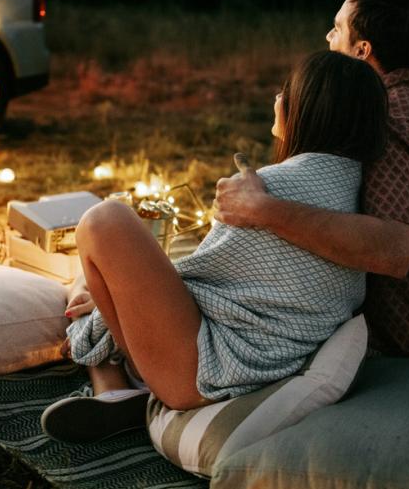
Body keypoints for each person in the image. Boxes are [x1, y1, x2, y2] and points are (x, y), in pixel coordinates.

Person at [41, 51, 388, 443]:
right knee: (88, 289)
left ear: (307, 110)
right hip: (263, 363)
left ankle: (111, 383)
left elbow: (196, 277)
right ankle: (116, 388)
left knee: (103, 223)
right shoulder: (358, 202)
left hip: (203, 372)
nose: (277, 98)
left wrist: (115, 304)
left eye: (285, 91)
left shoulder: (270, 188)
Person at [214, 0, 409, 357]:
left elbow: (393, 250)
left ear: (361, 50)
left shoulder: (384, 121)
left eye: (337, 29)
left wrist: (263, 209)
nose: (327, 37)